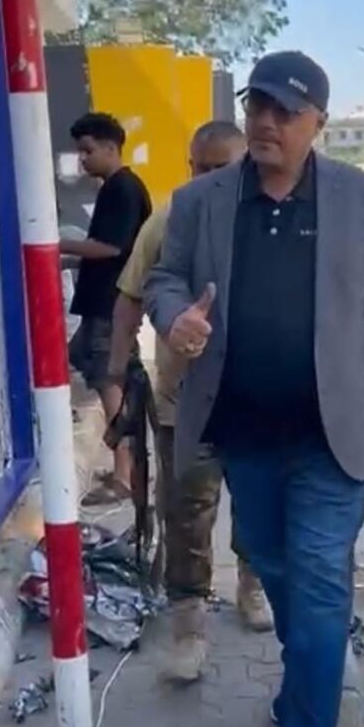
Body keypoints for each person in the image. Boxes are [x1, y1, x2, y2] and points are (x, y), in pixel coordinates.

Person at [145, 51, 364, 727]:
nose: (266, 121)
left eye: (285, 110)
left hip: (332, 437)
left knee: (318, 589)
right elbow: (166, 278)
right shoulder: (201, 200)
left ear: (318, 124)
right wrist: (175, 318)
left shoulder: (360, 198)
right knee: (274, 568)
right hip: (244, 432)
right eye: (258, 106)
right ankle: (304, 678)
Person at [108, 122, 273, 679]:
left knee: (256, 504)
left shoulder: (269, 221)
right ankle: (188, 626)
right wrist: (116, 374)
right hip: (184, 404)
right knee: (185, 515)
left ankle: (252, 587)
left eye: (223, 168)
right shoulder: (167, 221)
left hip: (255, 402)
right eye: (201, 168)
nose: (211, 179)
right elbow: (129, 299)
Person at [63, 113, 151, 503]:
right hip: (103, 302)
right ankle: (128, 466)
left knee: (111, 380)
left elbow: (112, 248)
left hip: (111, 305)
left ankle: (124, 476)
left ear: (111, 148)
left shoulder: (123, 190)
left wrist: (55, 245)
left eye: (88, 151)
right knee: (83, 360)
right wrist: (69, 259)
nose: (82, 159)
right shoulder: (115, 188)